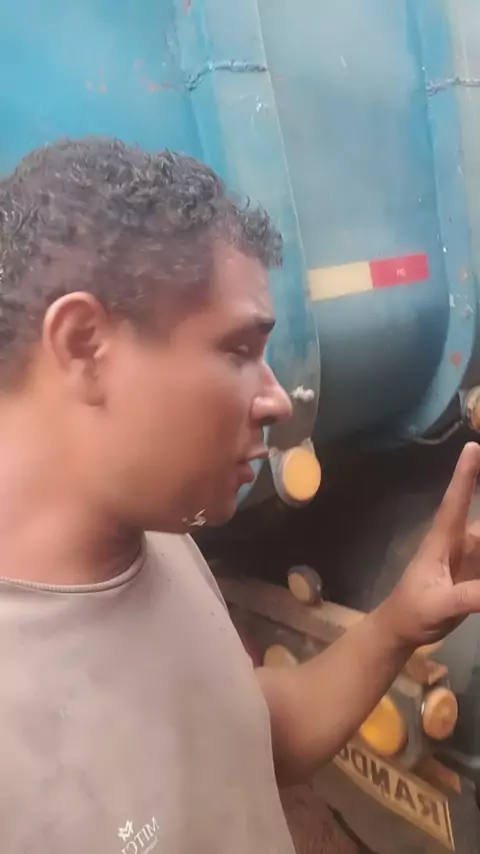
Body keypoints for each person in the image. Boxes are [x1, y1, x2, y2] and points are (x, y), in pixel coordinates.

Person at [0, 137, 479, 854]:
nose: (278, 400)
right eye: (238, 350)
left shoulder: (159, 536)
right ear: (85, 346)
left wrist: (398, 624)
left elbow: (250, 739)